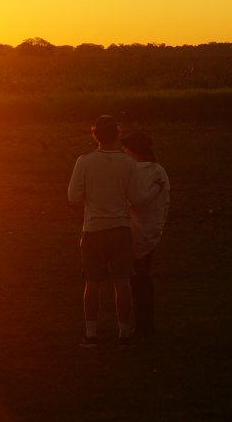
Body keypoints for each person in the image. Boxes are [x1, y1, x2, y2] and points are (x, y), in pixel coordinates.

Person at [67, 115, 142, 347]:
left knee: (92, 283)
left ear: (95, 135)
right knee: (122, 284)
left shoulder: (84, 161)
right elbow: (136, 198)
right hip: (120, 228)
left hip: (94, 229)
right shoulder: (129, 164)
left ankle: (91, 334)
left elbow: (73, 197)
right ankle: (124, 334)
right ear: (117, 135)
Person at [122, 131, 171, 338]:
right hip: (152, 228)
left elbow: (135, 200)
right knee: (142, 277)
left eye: (126, 150)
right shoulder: (158, 170)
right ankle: (145, 324)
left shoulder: (137, 172)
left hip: (137, 231)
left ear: (134, 151)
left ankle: (142, 326)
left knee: (138, 278)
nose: (124, 153)